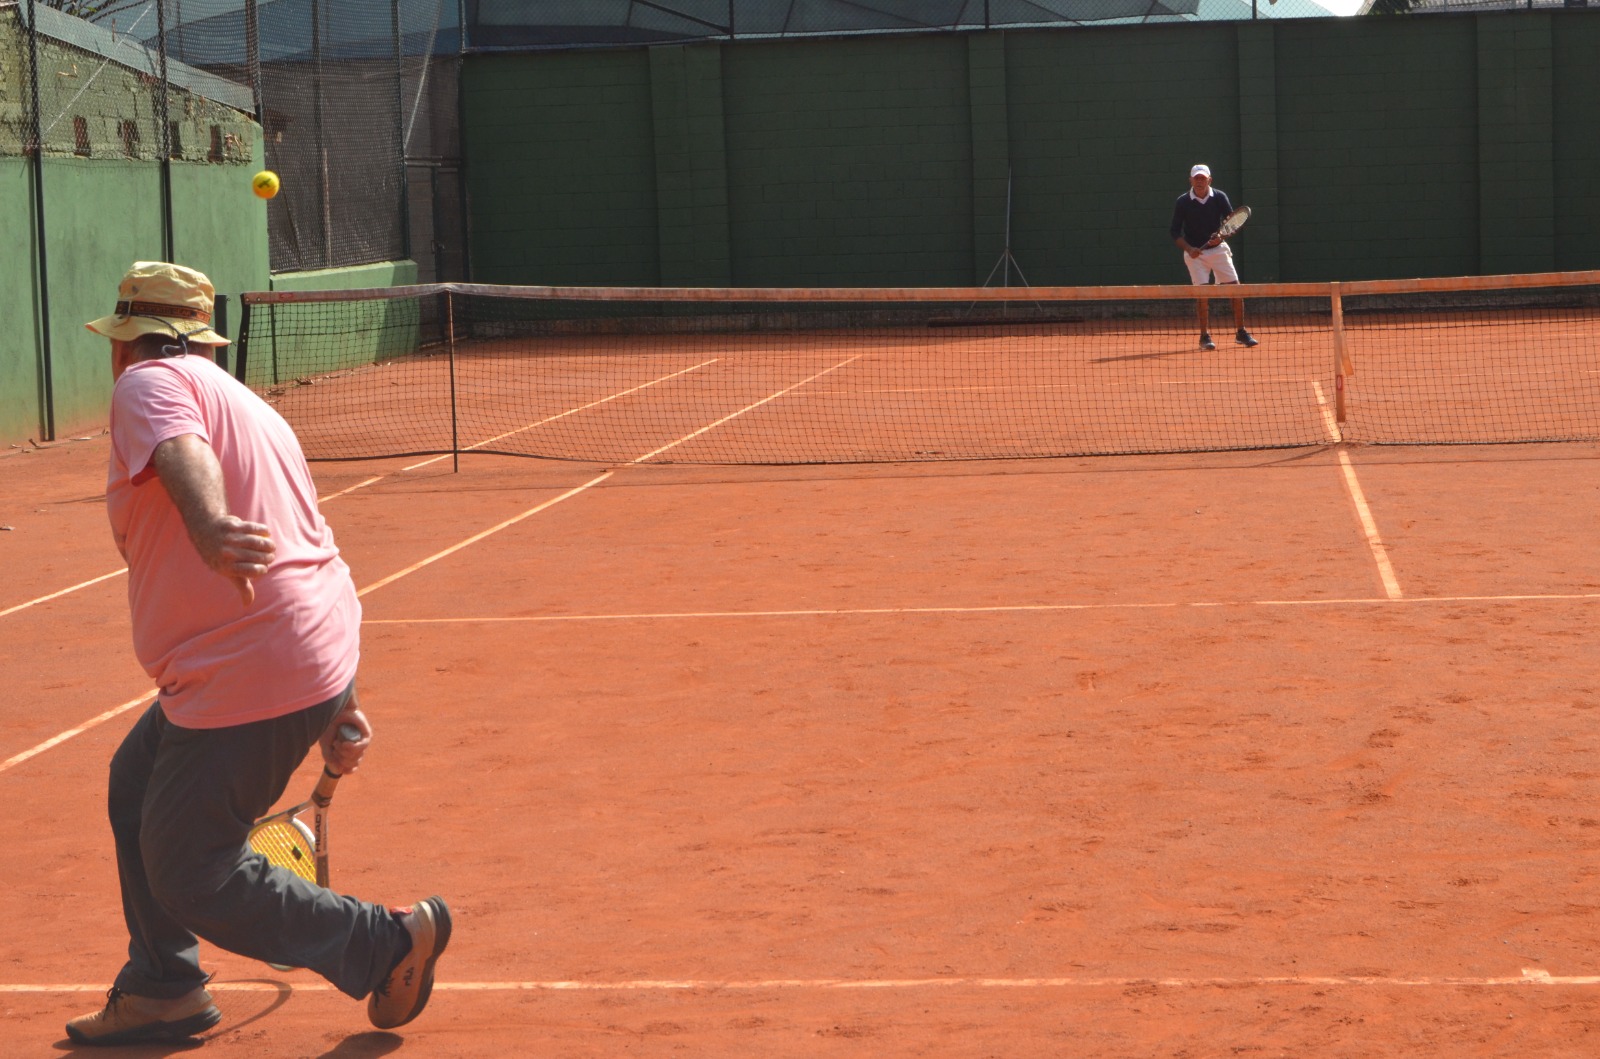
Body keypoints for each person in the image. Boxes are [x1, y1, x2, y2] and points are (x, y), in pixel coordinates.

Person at [68, 261, 450, 1046]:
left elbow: (180, 453)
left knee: (191, 870)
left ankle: (382, 943)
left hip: (245, 670)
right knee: (133, 783)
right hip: (301, 651)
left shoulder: (148, 381)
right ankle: (164, 984)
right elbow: (318, 545)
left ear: (130, 342)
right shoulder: (256, 410)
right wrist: (340, 697)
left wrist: (208, 525)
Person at [1170, 163, 1258, 351]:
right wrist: (1190, 248)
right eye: (1196, 178)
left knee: (1236, 289)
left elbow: (1232, 224)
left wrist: (1220, 236)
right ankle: (1204, 336)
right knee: (1202, 294)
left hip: (1218, 251)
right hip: (1195, 255)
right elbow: (1175, 232)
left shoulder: (1219, 197)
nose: (1200, 181)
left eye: (1203, 178)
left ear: (1209, 179)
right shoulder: (1182, 202)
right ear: (1191, 180)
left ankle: (1241, 332)